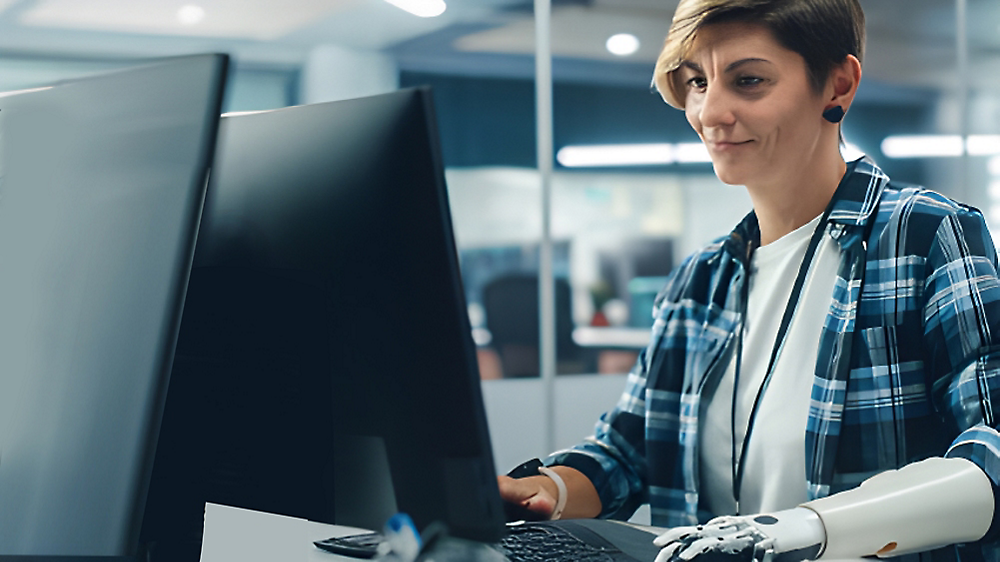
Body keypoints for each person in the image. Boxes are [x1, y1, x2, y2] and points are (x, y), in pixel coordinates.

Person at [497, 1, 1000, 561]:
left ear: (837, 85)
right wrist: (550, 490)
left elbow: (993, 445)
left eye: (749, 81)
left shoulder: (923, 235)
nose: (710, 111)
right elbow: (631, 448)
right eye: (696, 82)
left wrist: (807, 529)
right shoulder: (700, 280)